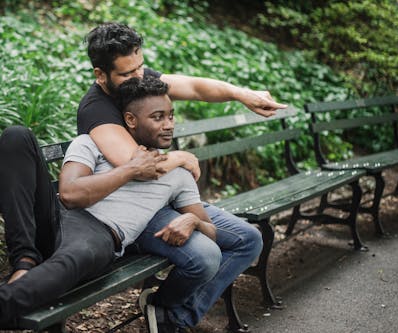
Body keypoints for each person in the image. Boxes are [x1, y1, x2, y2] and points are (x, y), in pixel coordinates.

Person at [76, 22, 282, 331]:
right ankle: (170, 318)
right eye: (127, 73)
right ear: (100, 74)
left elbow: (196, 87)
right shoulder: (96, 110)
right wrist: (182, 157)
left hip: (166, 197)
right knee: (204, 257)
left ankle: (170, 315)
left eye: (140, 67)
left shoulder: (140, 79)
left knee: (248, 239)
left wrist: (242, 94)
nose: (139, 77)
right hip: (130, 213)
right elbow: (137, 166)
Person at [0, 78, 212, 328]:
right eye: (158, 117)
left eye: (171, 117)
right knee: (17, 136)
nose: (168, 126)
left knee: (71, 261)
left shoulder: (179, 174)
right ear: (131, 120)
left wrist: (194, 220)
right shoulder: (92, 142)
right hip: (57, 215)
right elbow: (69, 195)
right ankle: (24, 262)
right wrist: (130, 169)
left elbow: (212, 231)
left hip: (99, 234)